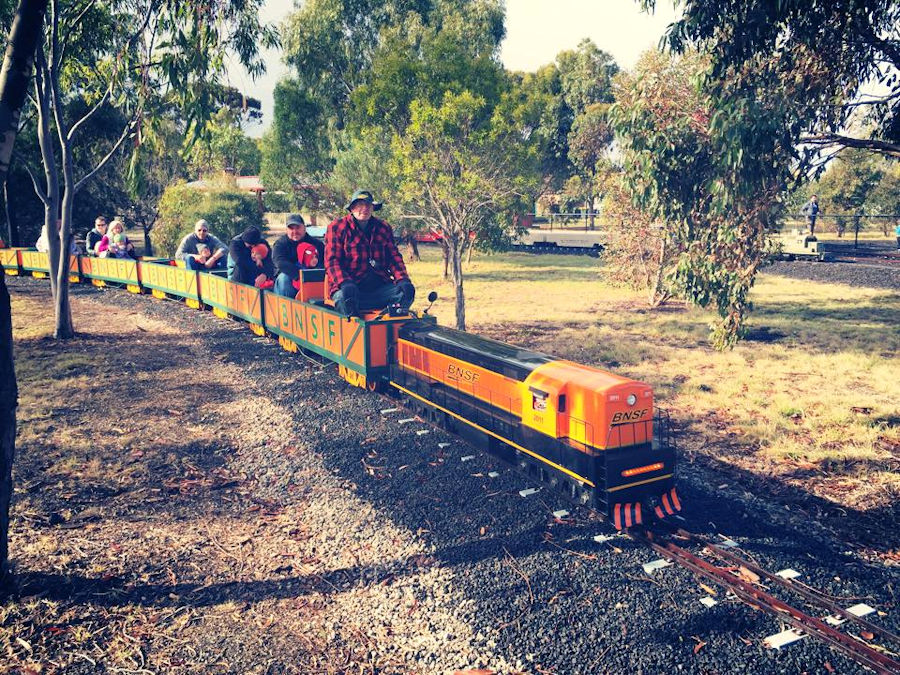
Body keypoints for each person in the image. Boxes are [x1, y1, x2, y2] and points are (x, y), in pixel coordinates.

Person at [325, 190, 414, 316]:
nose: (364, 208)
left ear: (373, 208)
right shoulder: (337, 227)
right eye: (359, 205)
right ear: (352, 208)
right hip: (350, 287)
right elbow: (332, 261)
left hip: (379, 287)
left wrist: (402, 279)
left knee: (405, 292)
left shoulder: (383, 227)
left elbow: (393, 257)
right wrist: (345, 282)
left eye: (368, 205)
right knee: (342, 298)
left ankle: (392, 324)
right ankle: (354, 326)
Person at [273, 213, 324, 297]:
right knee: (284, 278)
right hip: (289, 278)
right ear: (286, 230)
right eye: (291, 228)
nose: (295, 231)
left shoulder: (317, 244)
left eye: (298, 227)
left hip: (312, 278)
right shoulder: (280, 244)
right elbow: (280, 262)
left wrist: (312, 275)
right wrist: (300, 275)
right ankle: (287, 304)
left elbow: (323, 262)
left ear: (304, 228)